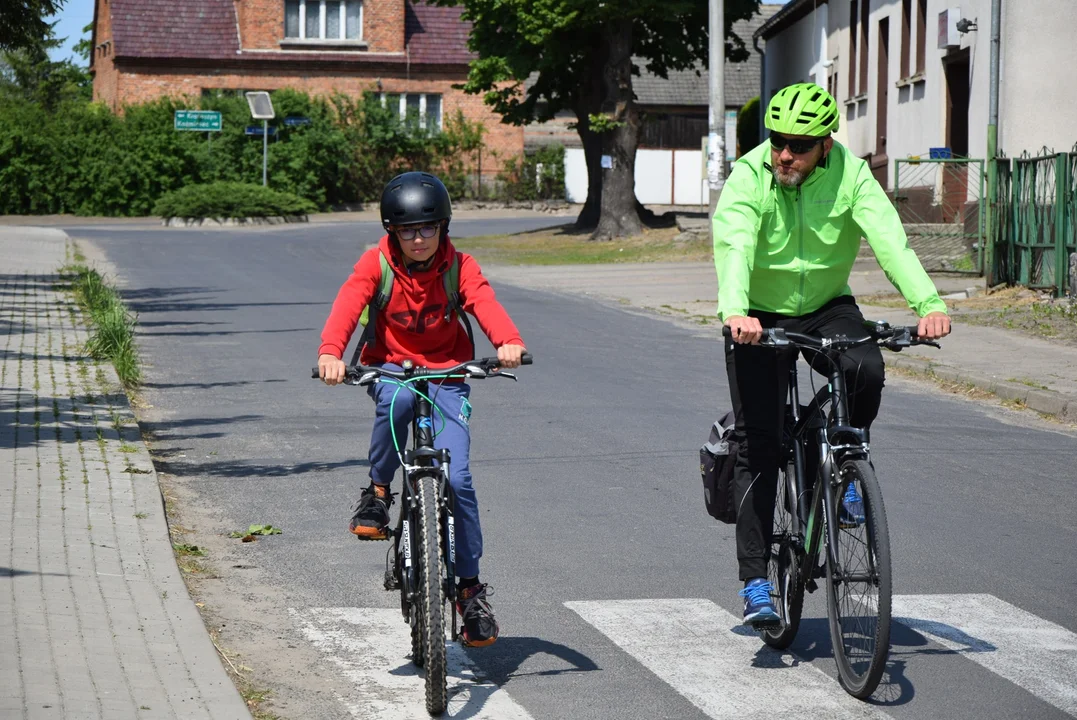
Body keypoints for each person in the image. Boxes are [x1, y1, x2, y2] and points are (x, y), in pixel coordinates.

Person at [712, 83, 952, 626]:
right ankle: (755, 581)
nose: (784, 155)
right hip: (757, 312)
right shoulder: (750, 175)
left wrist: (928, 302)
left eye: (798, 145)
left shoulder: (851, 173)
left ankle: (840, 457)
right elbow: (734, 243)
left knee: (865, 366)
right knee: (759, 443)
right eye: (777, 141)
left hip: (825, 304)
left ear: (824, 144)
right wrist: (736, 311)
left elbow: (890, 238)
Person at [317, 171, 527, 647]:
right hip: (391, 368)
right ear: (392, 231)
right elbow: (349, 303)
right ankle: (377, 492)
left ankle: (470, 591)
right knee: (400, 399)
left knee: (459, 478)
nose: (417, 239)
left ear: (443, 227)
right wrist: (331, 351)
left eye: (427, 229)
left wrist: (508, 341)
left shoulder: (460, 266)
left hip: (450, 373)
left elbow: (485, 303)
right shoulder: (376, 264)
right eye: (406, 230)